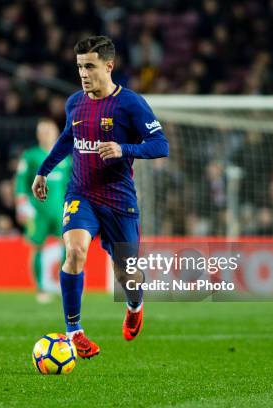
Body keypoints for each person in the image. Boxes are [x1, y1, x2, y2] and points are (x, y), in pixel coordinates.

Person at [31, 36, 169, 359]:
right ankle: (74, 331)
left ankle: (135, 304)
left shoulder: (130, 104)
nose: (83, 73)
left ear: (109, 66)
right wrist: (43, 170)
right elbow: (69, 138)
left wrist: (125, 149)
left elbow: (160, 145)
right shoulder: (75, 103)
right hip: (81, 194)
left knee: (126, 274)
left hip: (120, 201)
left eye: (90, 66)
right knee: (75, 251)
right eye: (80, 67)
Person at [16, 118, 72, 303]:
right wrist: (22, 204)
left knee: (68, 246)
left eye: (49, 131)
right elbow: (21, 181)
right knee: (37, 246)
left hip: (60, 210)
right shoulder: (30, 156)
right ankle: (40, 289)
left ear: (56, 133)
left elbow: (72, 183)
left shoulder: (65, 156)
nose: (46, 134)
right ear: (38, 135)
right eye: (42, 131)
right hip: (37, 211)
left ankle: (66, 286)